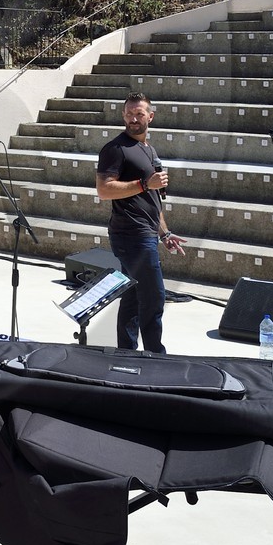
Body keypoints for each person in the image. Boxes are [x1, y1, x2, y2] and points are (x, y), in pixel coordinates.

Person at [94, 93, 186, 354]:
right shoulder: (116, 149)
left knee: (134, 297)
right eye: (129, 114)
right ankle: (155, 355)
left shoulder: (149, 150)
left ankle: (127, 352)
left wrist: (165, 233)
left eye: (139, 114)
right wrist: (145, 183)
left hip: (145, 233)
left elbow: (152, 200)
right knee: (154, 298)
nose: (133, 119)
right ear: (123, 116)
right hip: (130, 234)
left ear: (150, 116)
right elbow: (104, 190)